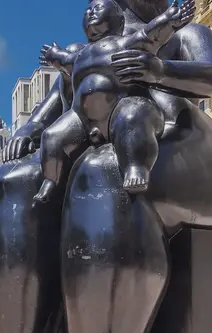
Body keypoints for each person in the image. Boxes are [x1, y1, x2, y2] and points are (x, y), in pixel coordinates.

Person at [0, 0, 212, 333]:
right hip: (112, 143)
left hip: (184, 153)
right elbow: (50, 108)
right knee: (13, 181)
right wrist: (30, 128)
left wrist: (160, 71)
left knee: (104, 171)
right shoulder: (90, 53)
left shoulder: (185, 34)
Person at [34, 0, 193, 201]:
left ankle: (136, 167)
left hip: (117, 110)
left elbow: (150, 35)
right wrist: (52, 54)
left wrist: (169, 19)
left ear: (118, 19)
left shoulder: (124, 44)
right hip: (81, 119)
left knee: (134, 117)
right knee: (52, 136)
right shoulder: (80, 54)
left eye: (98, 8)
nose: (91, 12)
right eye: (88, 10)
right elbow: (63, 59)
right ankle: (51, 180)